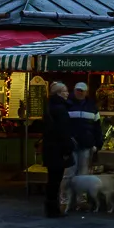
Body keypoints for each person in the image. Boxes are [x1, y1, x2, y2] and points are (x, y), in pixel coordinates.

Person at [42, 81, 74, 217]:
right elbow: (64, 131)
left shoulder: (49, 107)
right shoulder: (61, 109)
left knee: (52, 179)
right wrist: (68, 149)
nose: (67, 93)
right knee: (56, 179)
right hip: (58, 149)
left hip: (49, 148)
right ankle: (53, 209)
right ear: (59, 93)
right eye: (65, 91)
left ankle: (50, 207)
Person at [67, 82, 102, 176]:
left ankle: (80, 190)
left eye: (82, 91)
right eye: (78, 90)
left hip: (86, 144)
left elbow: (97, 127)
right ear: (74, 91)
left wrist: (97, 144)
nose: (80, 92)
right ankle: (69, 190)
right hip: (71, 145)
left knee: (83, 172)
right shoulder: (67, 105)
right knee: (70, 171)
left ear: (86, 92)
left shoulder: (92, 107)